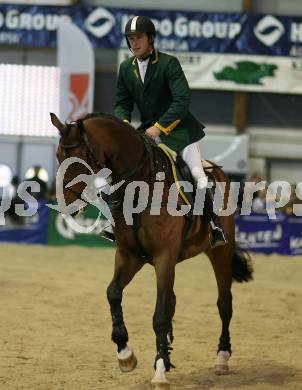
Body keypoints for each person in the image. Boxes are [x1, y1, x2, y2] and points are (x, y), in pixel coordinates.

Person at [106, 15, 226, 247]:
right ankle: (114, 224)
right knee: (121, 171)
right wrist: (124, 124)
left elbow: (181, 101)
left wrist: (159, 128)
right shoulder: (125, 68)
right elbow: (122, 102)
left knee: (197, 175)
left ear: (150, 38)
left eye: (138, 37)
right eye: (130, 39)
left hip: (179, 131)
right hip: (145, 132)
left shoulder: (168, 63)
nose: (134, 43)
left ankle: (214, 226)